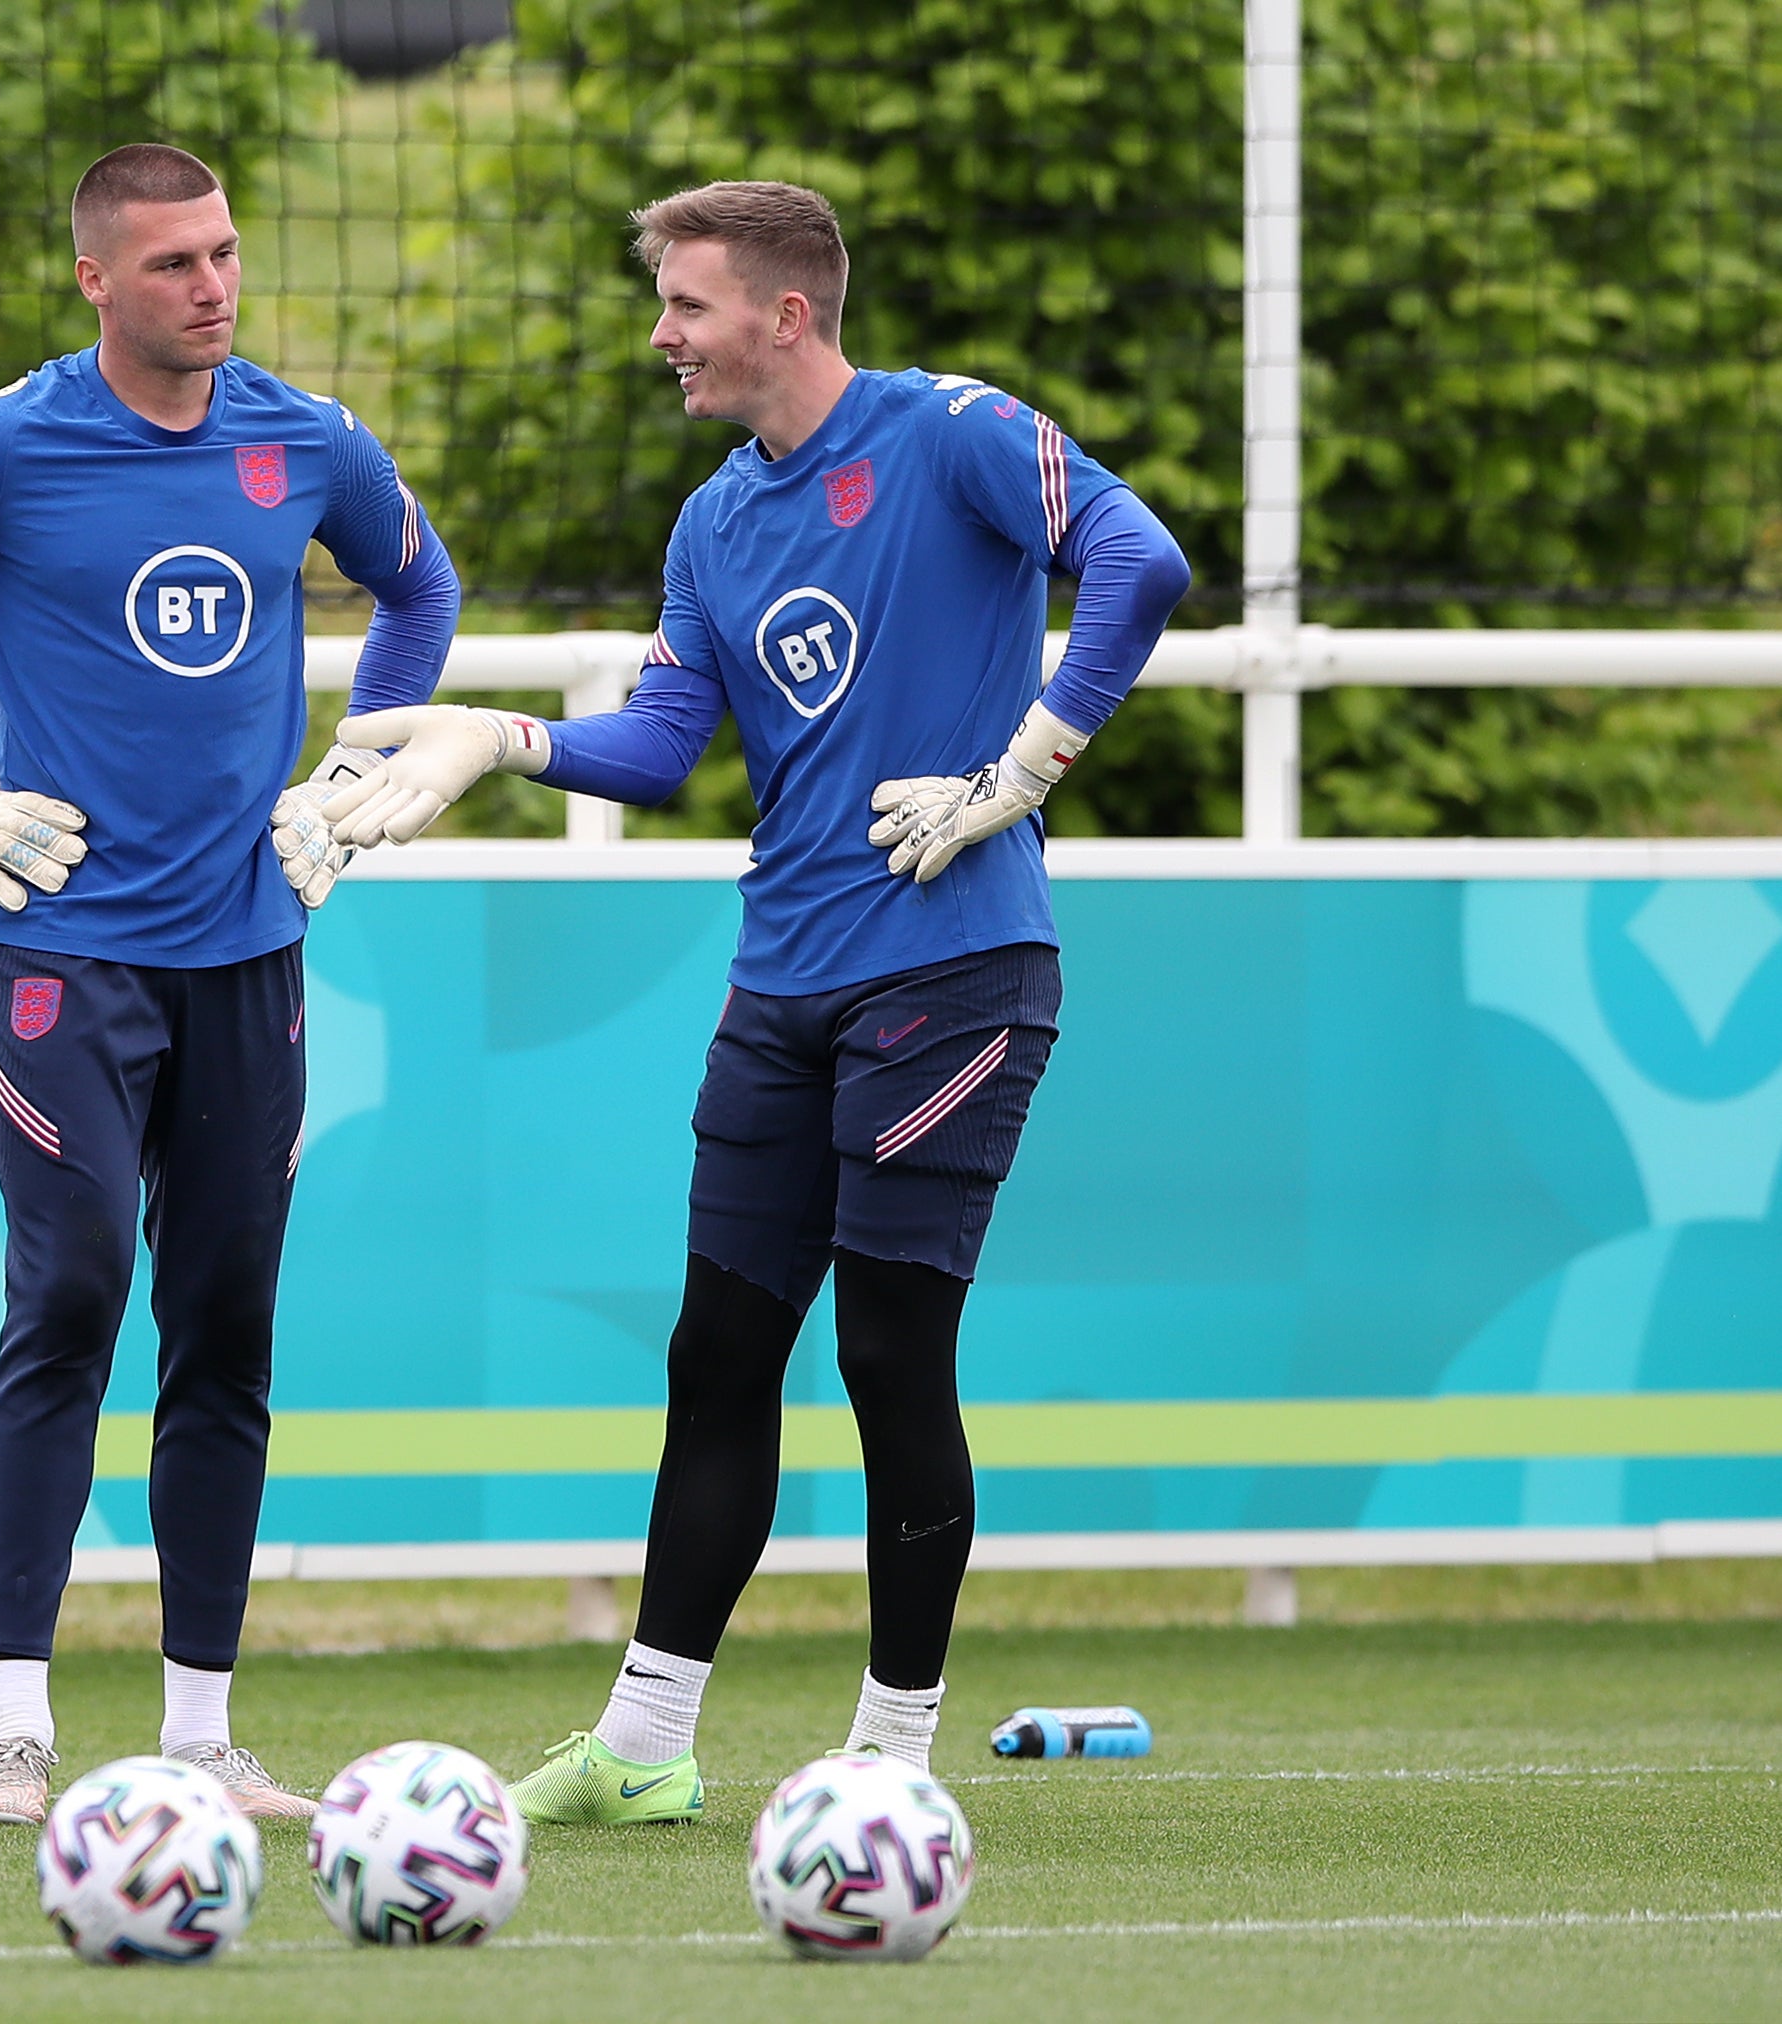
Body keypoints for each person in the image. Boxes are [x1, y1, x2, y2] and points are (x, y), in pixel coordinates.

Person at [319, 180, 1189, 1820]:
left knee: (886, 1355)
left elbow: (1141, 565)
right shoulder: (715, 519)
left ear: (786, 315)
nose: (662, 336)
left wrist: (1018, 772)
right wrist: (496, 739)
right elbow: (657, 749)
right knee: (715, 1352)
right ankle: (645, 1750)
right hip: (779, 983)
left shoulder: (953, 432)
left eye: (687, 306)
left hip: (954, 972)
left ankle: (889, 1760)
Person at [0, 143, 461, 1827]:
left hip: (250, 954)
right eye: (171, 265)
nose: (210, 286)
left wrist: (355, 768)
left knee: (224, 1328)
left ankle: (204, 1733)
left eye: (221, 255)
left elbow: (418, 583)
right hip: (55, 947)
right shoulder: (1, 443)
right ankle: (12, 1733)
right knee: (64, 1293)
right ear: (93, 280)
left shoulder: (304, 438)